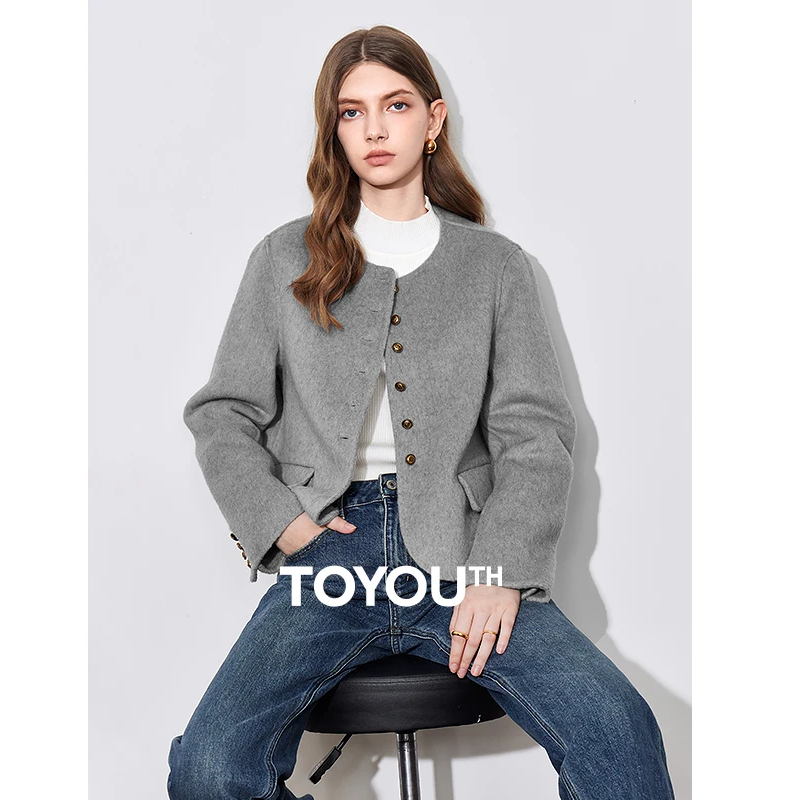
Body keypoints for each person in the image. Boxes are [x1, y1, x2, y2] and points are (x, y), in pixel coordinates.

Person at [167, 24, 675, 800]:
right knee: (209, 767)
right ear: (334, 130)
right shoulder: (284, 258)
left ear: (433, 120)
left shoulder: (495, 267)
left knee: (619, 733)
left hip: (467, 554)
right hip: (329, 560)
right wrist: (283, 525)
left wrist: (503, 572)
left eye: (396, 105)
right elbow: (223, 413)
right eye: (352, 112)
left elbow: (535, 435)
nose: (374, 128)